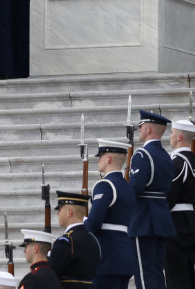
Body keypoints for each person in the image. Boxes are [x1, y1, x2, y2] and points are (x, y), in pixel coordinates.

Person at [128, 110, 175, 289]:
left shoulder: (142, 155)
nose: (139, 130)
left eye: (140, 127)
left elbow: (135, 188)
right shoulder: (166, 156)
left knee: (143, 273)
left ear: (148, 130)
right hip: (161, 217)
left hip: (143, 219)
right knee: (156, 272)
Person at [83, 139, 135, 289]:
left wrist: (77, 230)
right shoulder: (128, 188)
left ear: (109, 158)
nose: (98, 160)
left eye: (100, 156)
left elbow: (94, 223)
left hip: (107, 258)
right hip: (125, 256)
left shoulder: (105, 186)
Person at [164, 119, 195, 289]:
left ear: (180, 136)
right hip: (190, 222)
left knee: (175, 277)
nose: (170, 136)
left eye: (172, 132)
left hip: (177, 224)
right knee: (187, 275)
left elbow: (169, 196)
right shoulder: (193, 162)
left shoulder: (178, 163)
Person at [49, 191, 100, 288]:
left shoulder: (66, 241)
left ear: (69, 212)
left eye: (60, 209)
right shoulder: (93, 239)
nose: (57, 213)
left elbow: (51, 274)